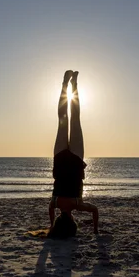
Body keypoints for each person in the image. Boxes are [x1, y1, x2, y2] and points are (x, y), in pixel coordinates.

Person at [48, 70, 99, 237]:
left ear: (72, 221)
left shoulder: (78, 204)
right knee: (62, 119)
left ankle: (74, 84)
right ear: (58, 220)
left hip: (76, 160)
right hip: (60, 160)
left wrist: (95, 229)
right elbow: (50, 210)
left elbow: (95, 211)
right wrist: (50, 225)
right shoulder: (55, 203)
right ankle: (65, 84)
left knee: (75, 119)